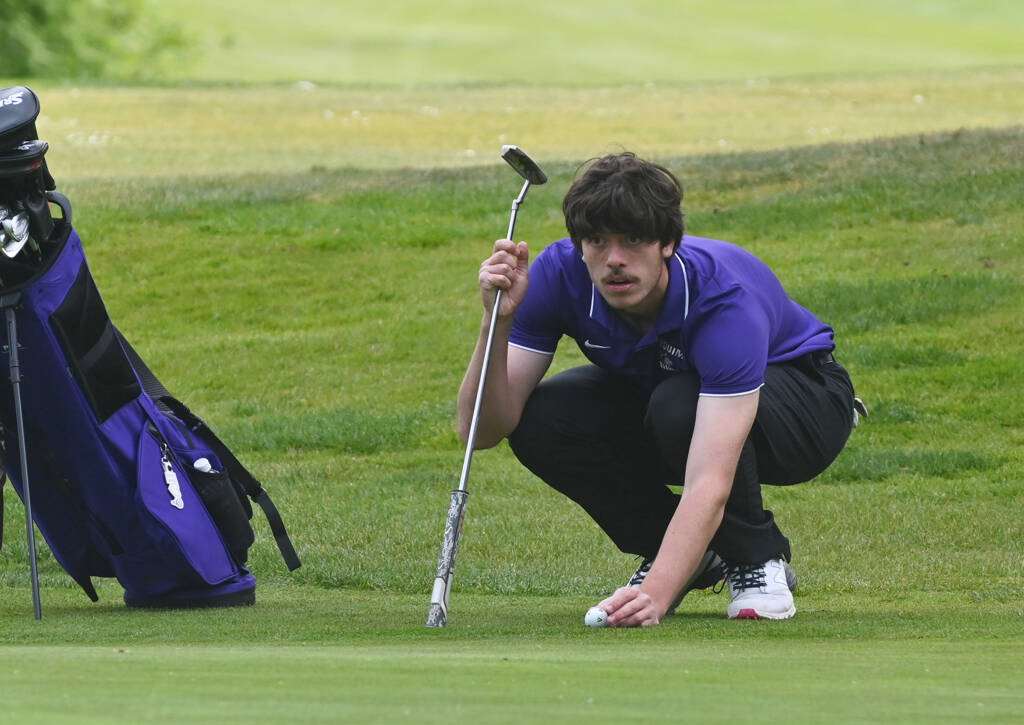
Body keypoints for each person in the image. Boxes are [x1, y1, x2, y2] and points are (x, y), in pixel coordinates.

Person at [458, 151, 862, 627]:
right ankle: (685, 554)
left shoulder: (721, 298)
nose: (614, 260)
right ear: (579, 245)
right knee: (543, 417)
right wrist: (496, 322)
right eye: (597, 241)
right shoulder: (557, 274)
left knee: (680, 404)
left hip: (806, 405)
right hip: (672, 395)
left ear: (667, 243)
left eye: (633, 240)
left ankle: (755, 558)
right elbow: (482, 430)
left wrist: (655, 595)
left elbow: (709, 480)